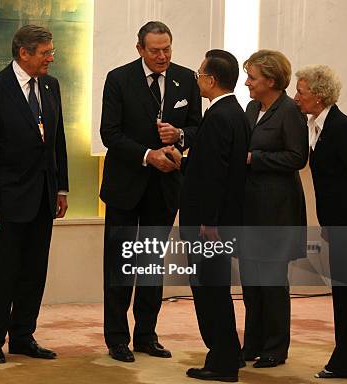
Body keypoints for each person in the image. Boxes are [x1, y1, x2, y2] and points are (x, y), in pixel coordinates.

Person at [99, 21, 201, 363]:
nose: (162, 56)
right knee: (120, 263)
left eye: (167, 48)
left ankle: (146, 335)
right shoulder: (118, 79)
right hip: (126, 185)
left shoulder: (186, 79)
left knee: (151, 264)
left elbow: (198, 127)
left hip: (165, 187)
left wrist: (180, 138)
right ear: (140, 49)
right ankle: (116, 338)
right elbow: (109, 133)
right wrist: (147, 156)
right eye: (155, 50)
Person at [0, 25, 69, 364]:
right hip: (7, 201)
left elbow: (57, 141)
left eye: (51, 51)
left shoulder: (51, 86)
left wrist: (61, 187)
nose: (51, 58)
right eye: (45, 53)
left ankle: (23, 336)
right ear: (23, 53)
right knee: (1, 273)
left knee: (34, 272)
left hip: (43, 197)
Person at [176, 49, 250, 382]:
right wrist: (185, 163)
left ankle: (221, 363)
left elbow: (218, 175)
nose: (197, 79)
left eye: (199, 73)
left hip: (209, 226)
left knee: (210, 292)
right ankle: (226, 354)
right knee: (214, 289)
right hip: (216, 220)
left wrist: (209, 220)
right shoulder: (234, 112)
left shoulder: (220, 115)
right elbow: (212, 166)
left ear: (212, 79)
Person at [240, 50, 308, 368]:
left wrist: (257, 159)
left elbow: (297, 158)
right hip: (250, 209)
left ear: (270, 79)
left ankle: (275, 348)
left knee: (272, 282)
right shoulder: (252, 107)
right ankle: (251, 343)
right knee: (251, 283)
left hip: (278, 212)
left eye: (252, 77)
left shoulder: (290, 111)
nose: (247, 83)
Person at [294, 65, 347, 379]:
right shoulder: (318, 124)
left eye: (302, 92)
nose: (297, 98)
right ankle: (346, 357)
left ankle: (346, 361)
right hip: (339, 226)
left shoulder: (341, 128)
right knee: (344, 295)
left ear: (318, 97)